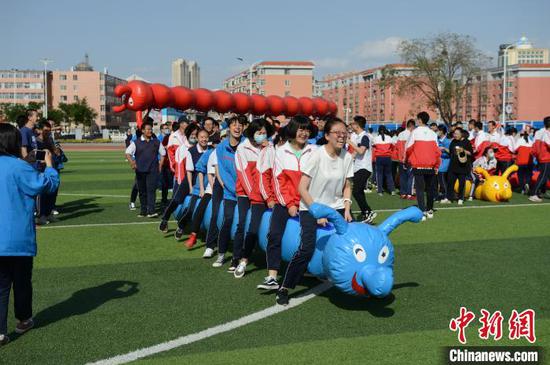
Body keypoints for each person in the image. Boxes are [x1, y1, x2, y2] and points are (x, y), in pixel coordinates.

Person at [276, 118, 353, 306]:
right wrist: (316, 212)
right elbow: (302, 188)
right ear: (327, 135)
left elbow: (347, 185)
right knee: (307, 248)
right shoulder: (317, 155)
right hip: (311, 205)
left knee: (352, 240)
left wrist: (348, 209)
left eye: (344, 133)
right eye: (337, 132)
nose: (342, 136)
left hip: (336, 207)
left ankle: (355, 282)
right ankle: (285, 287)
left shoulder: (348, 157)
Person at [0, 123, 59, 346]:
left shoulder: (18, 166)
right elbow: (47, 185)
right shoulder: (19, 167)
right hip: (18, 238)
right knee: (22, 281)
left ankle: (0, 331)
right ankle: (23, 320)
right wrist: (50, 166)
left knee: (1, 285)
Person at [233, 118, 274, 278]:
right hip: (246, 193)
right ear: (252, 133)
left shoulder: (269, 147)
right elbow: (244, 175)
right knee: (245, 224)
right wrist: (255, 196)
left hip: (265, 194)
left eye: (265, 133)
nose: (262, 136)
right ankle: (239, 259)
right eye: (259, 133)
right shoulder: (242, 149)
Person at [213, 115, 246, 269]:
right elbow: (223, 172)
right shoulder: (221, 148)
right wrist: (234, 189)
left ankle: (236, 257)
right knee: (227, 220)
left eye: (240, 125)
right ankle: (221, 254)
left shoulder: (248, 145)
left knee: (241, 224)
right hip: (230, 192)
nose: (237, 127)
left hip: (246, 193)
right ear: (229, 128)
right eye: (234, 125)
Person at [170, 125, 207, 235]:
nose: (204, 139)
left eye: (206, 137)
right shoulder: (191, 151)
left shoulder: (211, 151)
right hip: (197, 186)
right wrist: (192, 187)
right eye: (201, 137)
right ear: (198, 138)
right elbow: (190, 171)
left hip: (209, 187)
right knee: (191, 209)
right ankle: (181, 226)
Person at [125, 122, 166, 218]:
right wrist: (132, 162)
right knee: (142, 191)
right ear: (143, 130)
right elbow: (127, 153)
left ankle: (151, 211)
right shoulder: (136, 143)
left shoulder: (156, 142)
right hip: (140, 171)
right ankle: (143, 211)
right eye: (147, 129)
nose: (149, 131)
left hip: (153, 170)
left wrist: (160, 165)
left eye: (151, 129)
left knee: (151, 190)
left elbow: (163, 154)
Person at [405, 111, 441, 219]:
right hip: (430, 165)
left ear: (420, 120)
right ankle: (429, 210)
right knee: (430, 189)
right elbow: (437, 151)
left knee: (420, 189)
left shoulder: (415, 132)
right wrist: (436, 165)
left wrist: (407, 160)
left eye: (417, 119)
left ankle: (422, 210)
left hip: (418, 164)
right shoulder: (433, 133)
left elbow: (408, 148)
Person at [347, 115, 376, 223]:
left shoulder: (365, 136)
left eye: (353, 123)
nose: (351, 125)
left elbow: (361, 151)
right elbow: (355, 152)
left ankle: (367, 211)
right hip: (358, 167)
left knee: (356, 191)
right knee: (358, 191)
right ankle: (367, 213)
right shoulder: (358, 136)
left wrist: (349, 142)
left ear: (357, 125)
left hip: (364, 167)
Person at [442, 127, 473, 205]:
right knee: (450, 183)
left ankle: (460, 198)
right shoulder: (453, 141)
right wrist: (444, 149)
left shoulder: (466, 142)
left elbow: (470, 153)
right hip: (453, 166)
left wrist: (463, 150)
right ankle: (449, 198)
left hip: (463, 166)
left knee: (462, 183)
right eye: (454, 133)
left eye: (456, 134)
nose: (455, 135)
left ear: (461, 134)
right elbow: (451, 152)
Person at [528, 116, 550, 202]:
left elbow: (534, 146)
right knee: (543, 177)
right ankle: (534, 193)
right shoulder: (546, 133)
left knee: (545, 176)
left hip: (541, 157)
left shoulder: (539, 132)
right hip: (546, 158)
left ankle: (538, 192)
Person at [372, 125, 395, 196]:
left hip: (379, 158)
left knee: (379, 174)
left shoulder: (376, 138)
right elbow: (393, 147)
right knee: (389, 174)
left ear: (378, 130)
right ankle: (392, 190)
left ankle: (380, 191)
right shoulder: (389, 138)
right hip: (388, 158)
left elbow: (373, 147)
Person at [396, 120, 415, 199]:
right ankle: (409, 194)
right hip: (408, 158)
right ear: (412, 126)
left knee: (402, 176)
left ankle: (403, 193)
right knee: (410, 176)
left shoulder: (400, 134)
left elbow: (397, 147)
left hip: (400, 158)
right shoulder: (411, 135)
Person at [436, 125, 451, 201]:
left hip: (445, 162)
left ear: (442, 131)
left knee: (443, 180)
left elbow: (451, 152)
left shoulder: (448, 141)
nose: (437, 132)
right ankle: (441, 195)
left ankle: (446, 196)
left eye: (438, 130)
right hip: (438, 162)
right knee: (439, 180)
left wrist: (444, 149)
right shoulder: (437, 140)